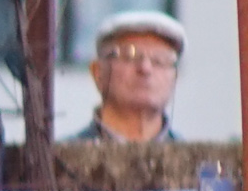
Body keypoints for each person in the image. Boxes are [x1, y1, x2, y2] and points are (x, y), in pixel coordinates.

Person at [74, 11, 184, 145]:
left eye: (160, 60)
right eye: (129, 56)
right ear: (98, 72)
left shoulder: (199, 163)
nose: (145, 68)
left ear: (175, 77)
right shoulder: (56, 159)